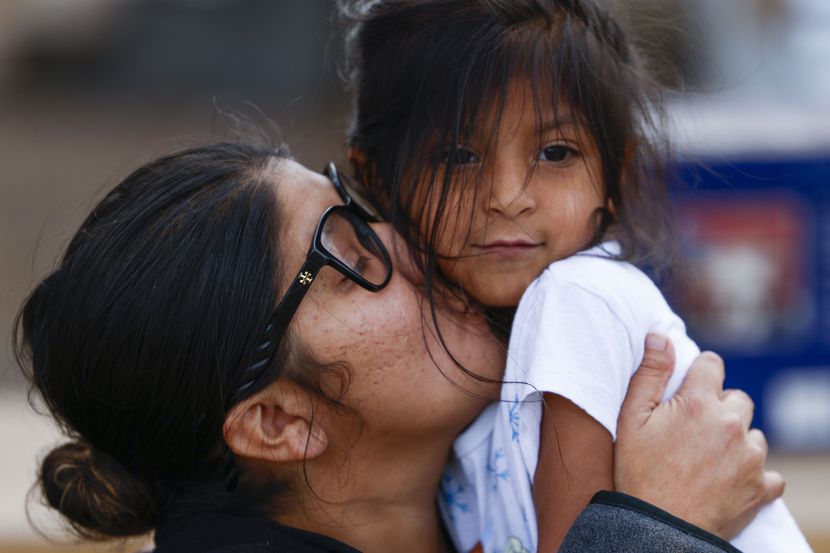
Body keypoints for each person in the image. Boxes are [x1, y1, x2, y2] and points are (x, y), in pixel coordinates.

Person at [15, 141, 779, 553]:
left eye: (359, 205)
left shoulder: (490, 485)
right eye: (347, 256)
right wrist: (657, 527)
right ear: (277, 420)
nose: (407, 236)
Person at [341, 1, 808, 552]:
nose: (507, 196)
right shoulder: (473, 369)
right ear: (378, 177)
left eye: (555, 152)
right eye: (457, 156)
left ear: (615, 176)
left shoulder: (575, 299)